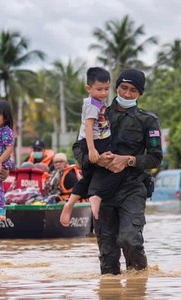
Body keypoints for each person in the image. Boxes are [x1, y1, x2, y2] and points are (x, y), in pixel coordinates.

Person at [65, 68, 163, 275]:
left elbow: (155, 157)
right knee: (108, 252)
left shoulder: (148, 121)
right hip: (103, 189)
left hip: (132, 188)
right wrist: (96, 160)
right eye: (123, 88)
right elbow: (78, 146)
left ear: (140, 94)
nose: (127, 94)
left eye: (133, 90)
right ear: (116, 88)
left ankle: (138, 286)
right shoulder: (98, 112)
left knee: (130, 239)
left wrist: (127, 161)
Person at [62, 67, 116, 220]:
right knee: (106, 169)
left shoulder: (97, 101)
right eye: (99, 89)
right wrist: (92, 150)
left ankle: (70, 203)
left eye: (107, 89)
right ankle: (95, 197)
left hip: (94, 141)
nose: (104, 93)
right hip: (95, 142)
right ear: (88, 88)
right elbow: (88, 127)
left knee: (87, 178)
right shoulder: (93, 105)